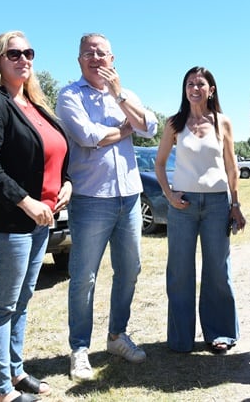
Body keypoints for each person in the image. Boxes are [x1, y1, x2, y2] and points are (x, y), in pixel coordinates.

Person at [0, 31, 71, 402]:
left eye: (29, 52)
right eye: (14, 53)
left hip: (39, 222)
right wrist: (25, 201)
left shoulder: (36, 106)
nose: (23, 59)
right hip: (4, 223)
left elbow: (55, 156)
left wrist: (67, 184)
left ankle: (13, 371)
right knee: (0, 305)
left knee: (21, 301)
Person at [55, 33, 157, 381]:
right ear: (79, 60)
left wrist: (120, 98)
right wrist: (127, 128)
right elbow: (88, 137)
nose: (96, 58)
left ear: (113, 59)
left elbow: (150, 127)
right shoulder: (69, 95)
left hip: (129, 197)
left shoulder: (124, 93)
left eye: (102, 53)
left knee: (130, 269)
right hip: (91, 198)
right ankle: (79, 349)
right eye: (89, 53)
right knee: (84, 276)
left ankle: (116, 336)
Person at [154, 66, 244, 354]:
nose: (195, 88)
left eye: (200, 84)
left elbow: (231, 167)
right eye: (190, 83)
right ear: (185, 89)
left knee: (217, 269)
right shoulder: (174, 124)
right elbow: (159, 163)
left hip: (218, 204)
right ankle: (180, 338)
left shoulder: (223, 122)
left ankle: (220, 333)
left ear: (211, 89)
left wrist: (235, 204)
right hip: (183, 206)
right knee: (179, 271)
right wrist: (169, 195)